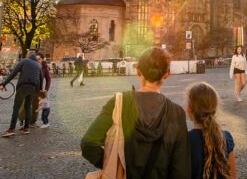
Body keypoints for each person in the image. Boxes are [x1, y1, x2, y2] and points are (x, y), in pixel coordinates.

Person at [81, 48, 191, 178]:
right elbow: (181, 169)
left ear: (138, 70)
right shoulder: (177, 113)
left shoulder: (118, 103)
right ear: (167, 74)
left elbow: (88, 143)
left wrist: (112, 163)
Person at [186, 82, 236, 179]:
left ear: (189, 109)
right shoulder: (226, 138)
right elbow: (232, 176)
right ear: (215, 108)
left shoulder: (185, 140)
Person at [0, 51, 43, 137]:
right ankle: (26, 128)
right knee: (28, 107)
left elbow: (13, 73)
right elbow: (41, 80)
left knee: (16, 107)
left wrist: (3, 84)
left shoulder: (24, 61)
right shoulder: (38, 65)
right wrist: (38, 91)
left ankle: (11, 129)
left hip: (23, 87)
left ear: (28, 55)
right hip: (33, 88)